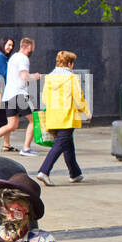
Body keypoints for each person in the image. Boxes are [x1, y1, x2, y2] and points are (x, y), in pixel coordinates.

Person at [35, 50, 88, 186]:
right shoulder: (72, 78)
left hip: (53, 116)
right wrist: (86, 112)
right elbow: (78, 97)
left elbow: (45, 99)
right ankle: (44, 171)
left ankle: (75, 173)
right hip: (67, 116)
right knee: (60, 144)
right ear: (69, 63)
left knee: (67, 144)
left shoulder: (50, 77)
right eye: (72, 63)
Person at [2, 36, 43, 157]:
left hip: (9, 94)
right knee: (34, 120)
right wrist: (34, 76)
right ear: (28, 47)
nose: (32, 52)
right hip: (19, 94)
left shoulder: (14, 57)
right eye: (32, 49)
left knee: (12, 125)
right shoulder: (23, 58)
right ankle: (26, 148)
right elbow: (24, 76)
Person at [0, 36, 15, 151]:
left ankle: (6, 144)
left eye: (12, 45)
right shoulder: (1, 57)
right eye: (8, 45)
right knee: (3, 120)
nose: (10, 48)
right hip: (1, 91)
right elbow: (4, 74)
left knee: (6, 119)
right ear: (3, 44)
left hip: (0, 90)